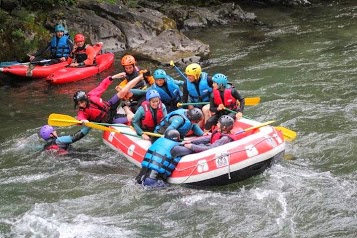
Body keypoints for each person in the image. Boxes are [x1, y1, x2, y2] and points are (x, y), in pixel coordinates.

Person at [74, 70, 146, 126]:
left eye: (82, 102)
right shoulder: (82, 112)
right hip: (110, 120)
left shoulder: (91, 95)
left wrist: (113, 77)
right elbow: (82, 118)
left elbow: (102, 85)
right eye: (79, 104)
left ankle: (140, 76)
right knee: (133, 118)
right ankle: (126, 108)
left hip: (110, 105)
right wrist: (84, 121)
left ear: (86, 99)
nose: (81, 105)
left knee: (124, 91)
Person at [171, 115, 237, 158]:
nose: (217, 124)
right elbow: (207, 138)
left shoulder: (225, 138)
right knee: (179, 145)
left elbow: (211, 149)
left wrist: (191, 146)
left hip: (208, 151)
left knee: (177, 149)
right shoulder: (220, 132)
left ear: (224, 127)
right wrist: (191, 141)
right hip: (206, 146)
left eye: (219, 123)